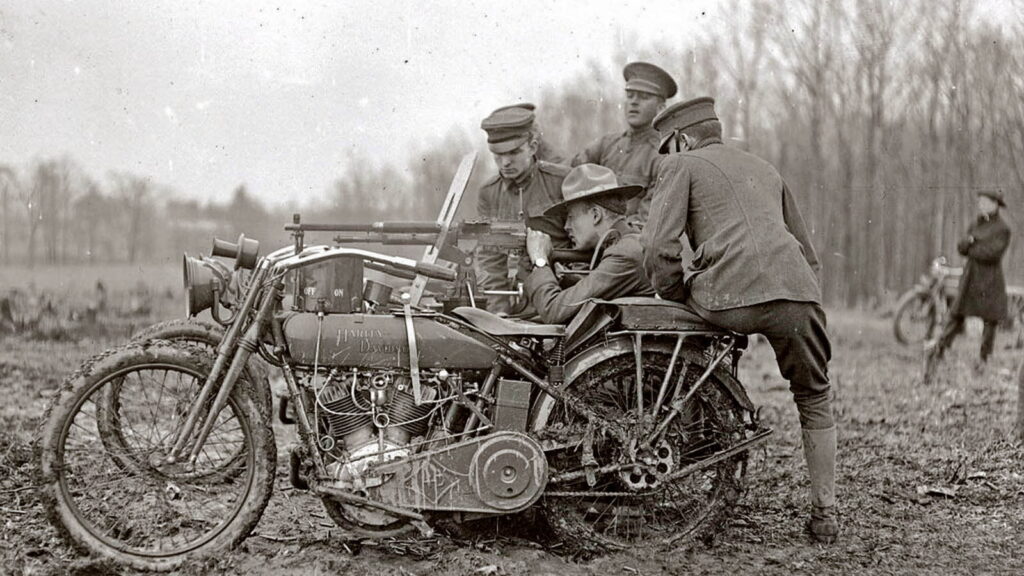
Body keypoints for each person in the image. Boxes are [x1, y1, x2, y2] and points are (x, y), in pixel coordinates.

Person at [640, 97, 838, 543]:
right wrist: (804, 296)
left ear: (682, 139)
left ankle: (700, 430)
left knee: (681, 339)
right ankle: (825, 515)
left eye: (668, 146)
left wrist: (675, 293)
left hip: (728, 296)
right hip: (797, 294)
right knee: (815, 395)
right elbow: (809, 254)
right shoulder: (765, 168)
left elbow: (657, 249)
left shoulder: (681, 165)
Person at [523, 164, 655, 323]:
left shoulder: (625, 253)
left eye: (571, 217)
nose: (566, 226)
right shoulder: (628, 240)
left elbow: (553, 311)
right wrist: (564, 279)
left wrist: (540, 261)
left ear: (595, 215)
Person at [476, 105, 570, 315]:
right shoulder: (489, 193)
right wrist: (499, 312)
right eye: (498, 155)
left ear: (533, 146)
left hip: (559, 297)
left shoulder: (562, 182)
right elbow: (490, 260)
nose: (505, 162)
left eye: (514, 152)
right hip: (517, 305)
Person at [572, 62, 677, 226]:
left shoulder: (663, 155)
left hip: (630, 243)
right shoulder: (607, 144)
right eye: (630, 95)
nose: (634, 102)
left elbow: (646, 221)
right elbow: (572, 174)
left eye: (644, 97)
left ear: (661, 108)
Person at [927, 190, 1011, 371]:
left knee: (990, 321)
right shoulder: (976, 223)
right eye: (980, 201)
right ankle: (938, 351)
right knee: (956, 315)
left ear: (995, 204)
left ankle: (984, 360)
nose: (981, 205)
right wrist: (971, 243)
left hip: (990, 281)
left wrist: (973, 244)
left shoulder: (1003, 229)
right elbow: (961, 247)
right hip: (971, 277)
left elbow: (992, 254)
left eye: (985, 202)